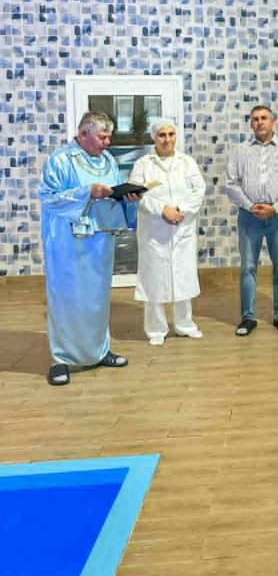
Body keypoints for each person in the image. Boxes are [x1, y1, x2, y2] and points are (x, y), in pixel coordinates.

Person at [40, 111, 140, 386]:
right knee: (67, 298)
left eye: (109, 137)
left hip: (100, 238)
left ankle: (99, 350)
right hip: (67, 241)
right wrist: (87, 192)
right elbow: (49, 199)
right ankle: (61, 359)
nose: (107, 143)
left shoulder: (107, 160)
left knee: (97, 297)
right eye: (102, 137)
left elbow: (114, 194)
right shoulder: (60, 160)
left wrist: (127, 198)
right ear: (83, 134)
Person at [129, 118, 206, 346]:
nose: (167, 140)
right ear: (154, 138)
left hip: (182, 228)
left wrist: (180, 210)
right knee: (154, 278)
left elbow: (198, 190)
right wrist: (163, 210)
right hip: (155, 230)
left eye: (171, 134)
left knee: (183, 276)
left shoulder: (187, 162)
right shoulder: (143, 164)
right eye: (162, 135)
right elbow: (137, 195)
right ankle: (156, 329)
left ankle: (185, 325)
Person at [226, 105, 278, 336]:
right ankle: (248, 317)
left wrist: (275, 208)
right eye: (255, 119)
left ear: (273, 122)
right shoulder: (240, 151)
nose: (260, 122)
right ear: (251, 124)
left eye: (264, 118)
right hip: (249, 217)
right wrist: (250, 206)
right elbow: (230, 184)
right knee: (248, 267)